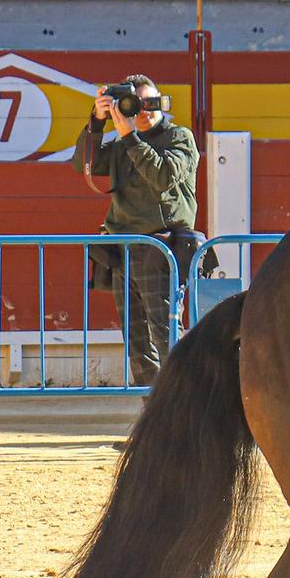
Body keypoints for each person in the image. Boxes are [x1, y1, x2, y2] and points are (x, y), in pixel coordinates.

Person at [74, 75, 201, 387]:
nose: (145, 110)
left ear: (162, 102)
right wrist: (96, 121)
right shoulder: (121, 143)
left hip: (162, 248)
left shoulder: (178, 137)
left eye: (152, 103)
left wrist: (130, 136)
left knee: (166, 333)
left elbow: (163, 176)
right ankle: (154, 417)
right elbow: (84, 164)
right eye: (137, 104)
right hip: (124, 248)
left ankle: (181, 409)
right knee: (137, 343)